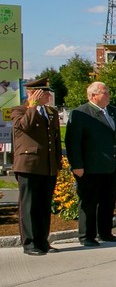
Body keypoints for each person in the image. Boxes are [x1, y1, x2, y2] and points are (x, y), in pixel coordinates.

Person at [66, 81, 116, 246]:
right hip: (90, 167)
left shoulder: (114, 111)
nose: (108, 96)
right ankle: (86, 235)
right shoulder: (80, 113)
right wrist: (76, 165)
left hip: (111, 165)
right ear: (93, 96)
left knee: (108, 200)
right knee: (89, 202)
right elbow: (73, 142)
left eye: (108, 92)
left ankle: (105, 232)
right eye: (104, 93)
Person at [11, 78, 61, 255]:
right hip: (29, 165)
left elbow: (55, 139)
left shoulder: (51, 112)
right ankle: (30, 243)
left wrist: (57, 162)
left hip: (47, 165)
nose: (48, 96)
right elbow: (25, 126)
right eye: (44, 93)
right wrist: (32, 106)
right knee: (29, 206)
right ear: (33, 94)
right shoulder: (19, 111)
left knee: (44, 205)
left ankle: (42, 240)